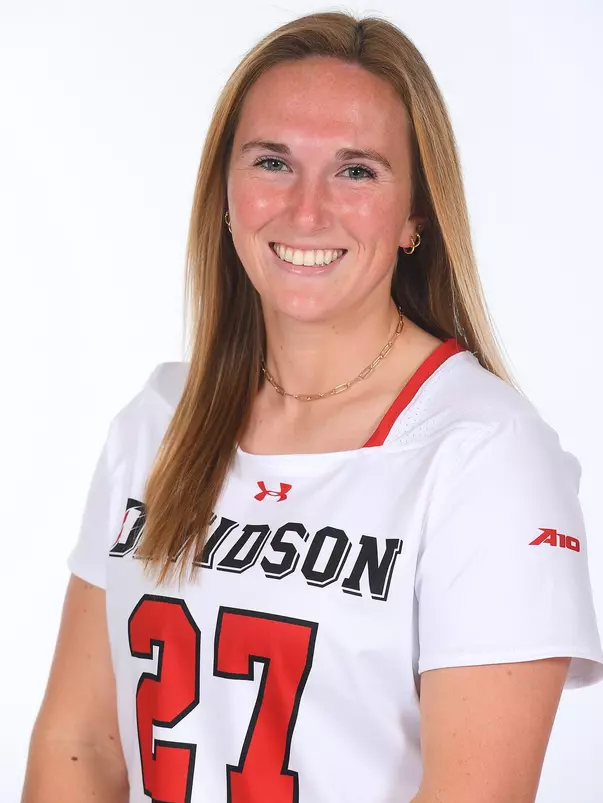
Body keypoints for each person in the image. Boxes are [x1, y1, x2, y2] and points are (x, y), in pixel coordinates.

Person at [22, 11, 603, 803]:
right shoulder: (158, 421)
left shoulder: (484, 455)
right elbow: (81, 741)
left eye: (356, 170)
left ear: (414, 218)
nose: (304, 210)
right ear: (223, 192)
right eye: (272, 162)